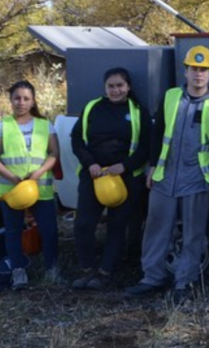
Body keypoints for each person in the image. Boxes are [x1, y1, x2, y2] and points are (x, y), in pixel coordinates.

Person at [125, 46, 209, 301]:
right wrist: (153, 165)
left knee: (194, 234)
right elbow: (157, 132)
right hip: (165, 176)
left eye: (203, 70)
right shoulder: (170, 96)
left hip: (197, 179)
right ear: (185, 71)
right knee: (156, 230)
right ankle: (152, 278)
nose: (198, 74)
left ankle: (184, 284)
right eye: (194, 69)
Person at [70, 68, 151, 290]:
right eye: (111, 86)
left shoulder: (137, 111)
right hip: (94, 176)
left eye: (120, 85)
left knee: (117, 226)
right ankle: (87, 269)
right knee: (83, 224)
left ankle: (105, 272)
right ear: (105, 88)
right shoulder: (92, 107)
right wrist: (90, 163)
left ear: (128, 87)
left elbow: (147, 146)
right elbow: (76, 139)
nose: (115, 90)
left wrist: (125, 166)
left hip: (125, 178)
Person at [0, 80, 60, 290]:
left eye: (26, 98)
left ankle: (52, 270)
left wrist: (38, 173)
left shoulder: (45, 125)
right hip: (12, 191)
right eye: (17, 98)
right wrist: (12, 178)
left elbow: (54, 153)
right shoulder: (1, 126)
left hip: (40, 189)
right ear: (10, 100)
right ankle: (18, 271)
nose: (21, 102)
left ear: (33, 101)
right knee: (13, 231)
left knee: (49, 230)